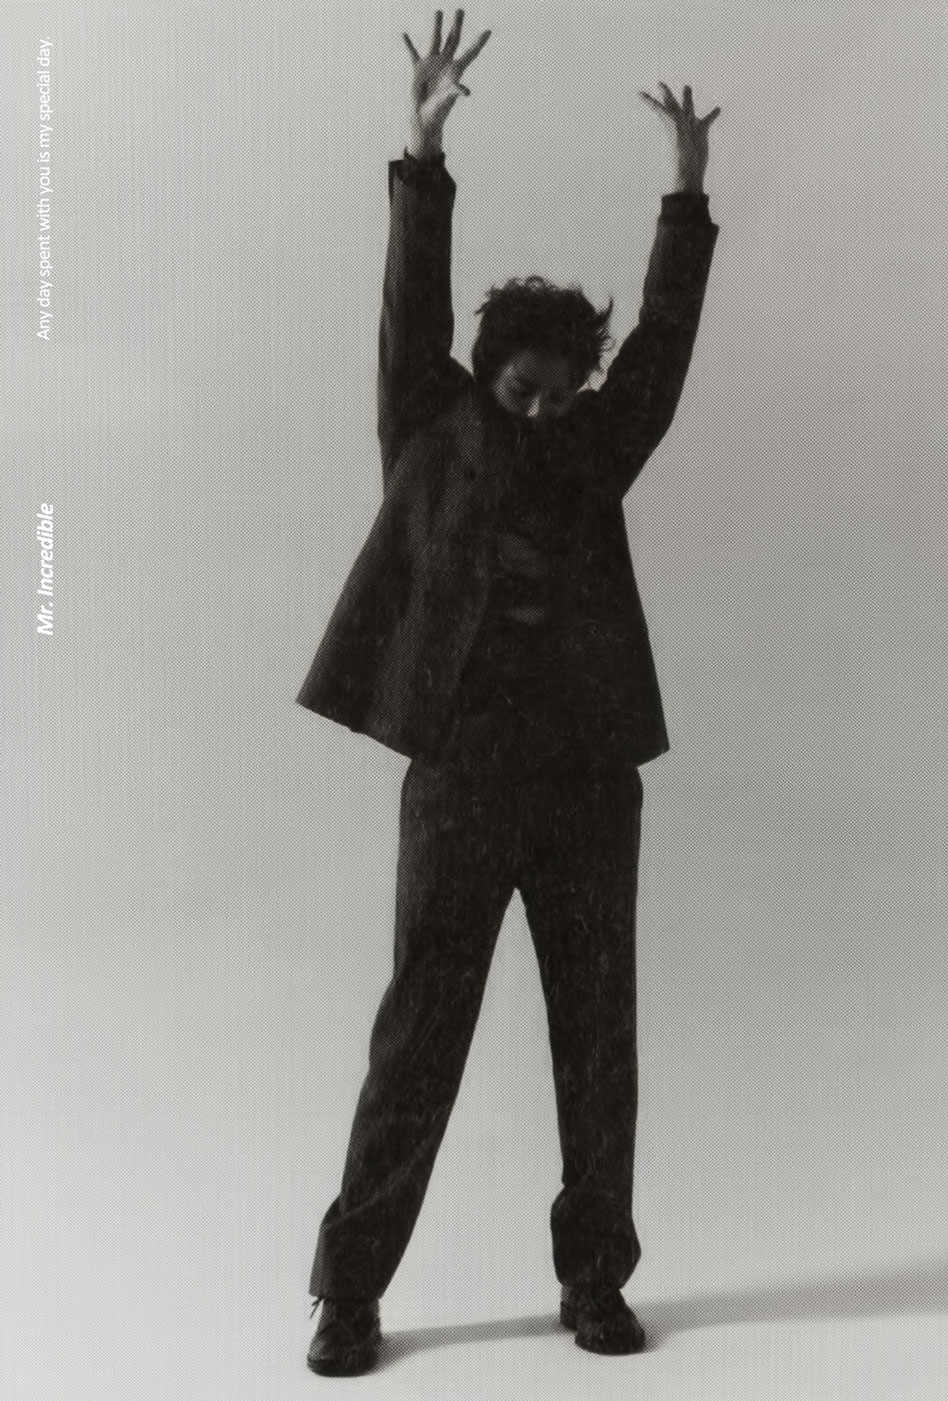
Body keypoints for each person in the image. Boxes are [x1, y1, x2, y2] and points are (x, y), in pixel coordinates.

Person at [298, 9, 720, 1376]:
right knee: (420, 1033)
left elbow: (660, 349)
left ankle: (595, 1280)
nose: (542, 411)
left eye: (561, 393)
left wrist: (686, 197)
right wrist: (422, 155)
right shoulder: (429, 424)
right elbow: (412, 305)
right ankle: (349, 1292)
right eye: (523, 390)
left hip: (589, 783)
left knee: (598, 1039)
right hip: (462, 777)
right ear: (487, 379)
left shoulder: (598, 447)